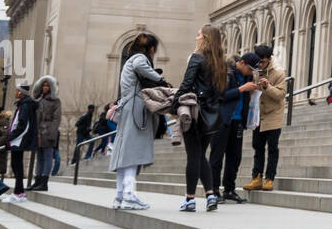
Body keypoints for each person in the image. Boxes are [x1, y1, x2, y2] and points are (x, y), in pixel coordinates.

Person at [108, 33, 167, 211]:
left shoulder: (130, 60)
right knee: (134, 152)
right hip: (136, 110)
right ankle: (128, 195)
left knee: (125, 153)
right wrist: (161, 80)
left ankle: (120, 195)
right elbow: (142, 68)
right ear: (151, 49)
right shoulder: (139, 58)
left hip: (128, 108)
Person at [175, 24, 225, 212]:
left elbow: (186, 84)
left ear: (205, 39)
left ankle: (190, 199)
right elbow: (221, 92)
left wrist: (174, 104)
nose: (196, 38)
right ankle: (211, 194)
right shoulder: (221, 62)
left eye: (199, 35)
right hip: (212, 115)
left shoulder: (197, 58)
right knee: (200, 155)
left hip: (196, 112)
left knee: (193, 156)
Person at [212, 51, 259, 203]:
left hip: (238, 121)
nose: (251, 72)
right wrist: (241, 89)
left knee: (235, 157)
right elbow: (221, 95)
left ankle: (229, 190)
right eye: (250, 68)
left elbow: (245, 97)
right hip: (222, 119)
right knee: (217, 156)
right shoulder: (226, 72)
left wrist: (253, 89)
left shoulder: (247, 77)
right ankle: (213, 191)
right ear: (242, 63)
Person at [245, 43, 287, 192]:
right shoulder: (254, 72)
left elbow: (281, 95)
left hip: (273, 115)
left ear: (269, 59)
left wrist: (267, 86)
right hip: (257, 116)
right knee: (258, 147)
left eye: (263, 62)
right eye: (258, 62)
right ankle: (256, 177)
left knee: (272, 148)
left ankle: (269, 178)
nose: (260, 65)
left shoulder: (279, 73)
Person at [1, 84, 36, 204]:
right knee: (16, 166)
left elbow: (23, 125)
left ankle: (19, 193)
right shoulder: (22, 104)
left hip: (19, 140)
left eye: (17, 91)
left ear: (21, 93)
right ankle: (19, 192)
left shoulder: (25, 105)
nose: (15, 92)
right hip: (17, 139)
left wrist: (11, 138)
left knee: (17, 166)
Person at [31, 75, 61, 192]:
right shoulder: (39, 100)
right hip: (38, 132)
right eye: (43, 85)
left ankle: (44, 182)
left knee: (48, 157)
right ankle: (37, 180)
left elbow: (56, 119)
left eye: (48, 85)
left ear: (52, 88)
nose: (45, 87)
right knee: (39, 158)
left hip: (48, 132)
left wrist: (52, 134)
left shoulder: (56, 102)